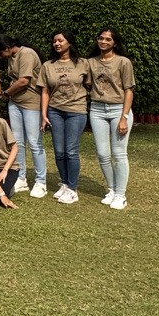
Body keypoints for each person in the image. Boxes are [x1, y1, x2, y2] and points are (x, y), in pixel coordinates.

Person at [0, 34, 46, 198]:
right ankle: (21, 177)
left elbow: (24, 81)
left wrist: (6, 93)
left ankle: (41, 181)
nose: (0, 56)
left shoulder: (26, 53)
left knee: (35, 142)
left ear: (7, 48)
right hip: (15, 103)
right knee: (18, 142)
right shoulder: (12, 57)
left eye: (0, 53)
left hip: (31, 103)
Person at [40, 31, 91, 205]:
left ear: (69, 43)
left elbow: (90, 85)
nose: (57, 43)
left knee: (71, 150)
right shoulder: (48, 65)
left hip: (76, 111)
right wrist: (44, 114)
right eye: (54, 41)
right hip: (55, 111)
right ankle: (65, 183)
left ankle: (72, 189)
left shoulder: (83, 63)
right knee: (59, 151)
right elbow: (45, 91)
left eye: (60, 40)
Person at [88, 26, 136, 210]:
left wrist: (124, 117)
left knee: (119, 153)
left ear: (115, 43)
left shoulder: (123, 62)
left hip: (118, 110)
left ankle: (120, 195)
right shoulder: (91, 62)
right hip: (97, 109)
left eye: (108, 39)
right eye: (101, 38)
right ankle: (112, 189)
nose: (103, 41)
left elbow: (129, 90)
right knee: (102, 154)